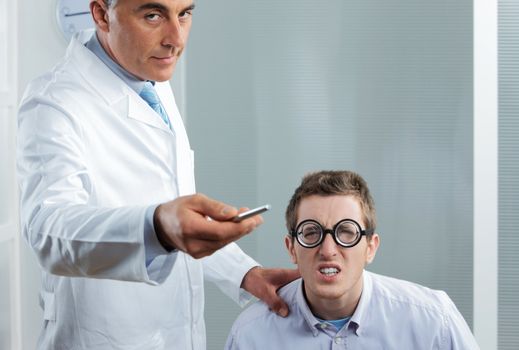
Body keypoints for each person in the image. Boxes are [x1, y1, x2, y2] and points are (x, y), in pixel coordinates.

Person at [16, 0, 297, 349]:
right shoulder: (54, 102)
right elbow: (49, 231)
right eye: (153, 15)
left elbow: (175, 216)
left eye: (185, 14)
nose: (175, 39)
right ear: (102, 14)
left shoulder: (151, 78)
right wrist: (157, 228)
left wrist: (244, 274)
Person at [225, 170, 479, 349]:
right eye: (311, 232)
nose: (328, 250)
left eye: (346, 232)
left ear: (370, 247)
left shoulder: (434, 322)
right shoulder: (250, 335)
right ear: (291, 248)